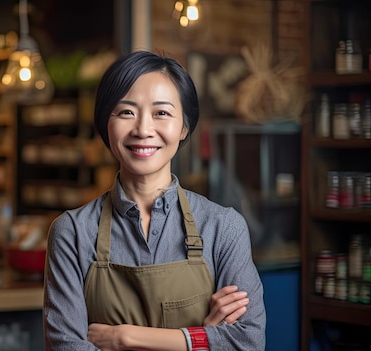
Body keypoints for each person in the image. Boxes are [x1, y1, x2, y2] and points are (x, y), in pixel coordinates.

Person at [43, 50, 266, 351]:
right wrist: (200, 338)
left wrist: (124, 338)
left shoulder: (223, 227)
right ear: (105, 126)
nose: (143, 130)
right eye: (126, 112)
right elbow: (65, 347)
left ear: (184, 127)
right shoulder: (72, 232)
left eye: (161, 113)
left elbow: (248, 342)